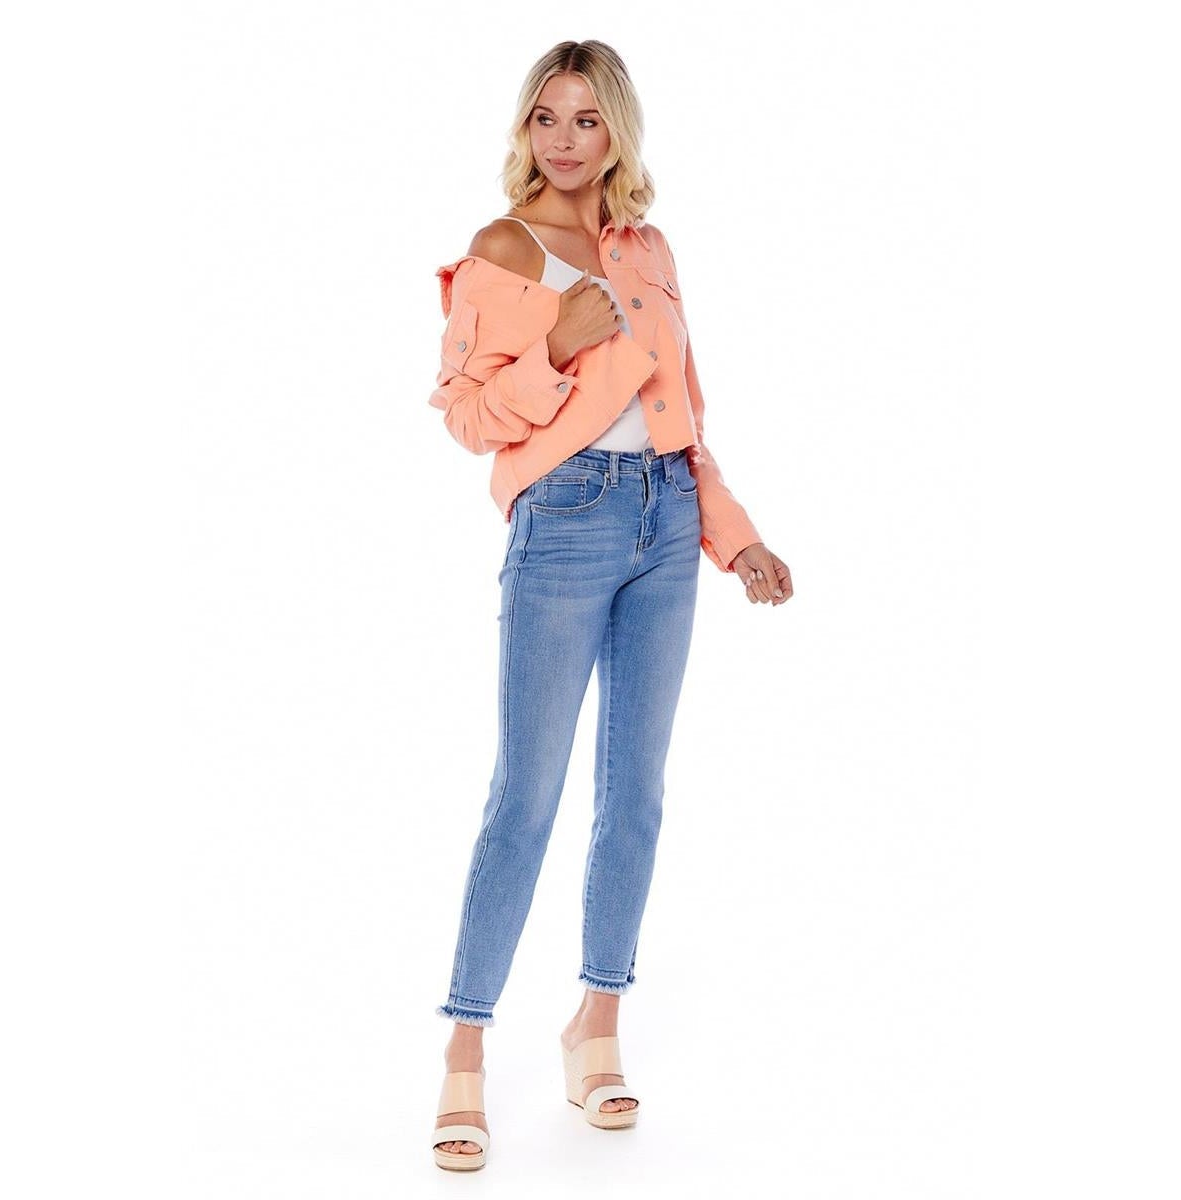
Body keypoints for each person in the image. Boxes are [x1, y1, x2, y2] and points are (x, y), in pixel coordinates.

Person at [429, 40, 793, 1170]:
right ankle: (465, 1049)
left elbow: (685, 414)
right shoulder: (503, 249)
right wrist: (554, 343)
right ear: (525, 128)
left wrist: (733, 534)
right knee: (525, 801)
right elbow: (466, 415)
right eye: (547, 117)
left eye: (587, 119)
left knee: (634, 798)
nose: (565, 139)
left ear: (616, 131)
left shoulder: (646, 248)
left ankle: (597, 1028)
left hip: (666, 523)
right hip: (566, 522)